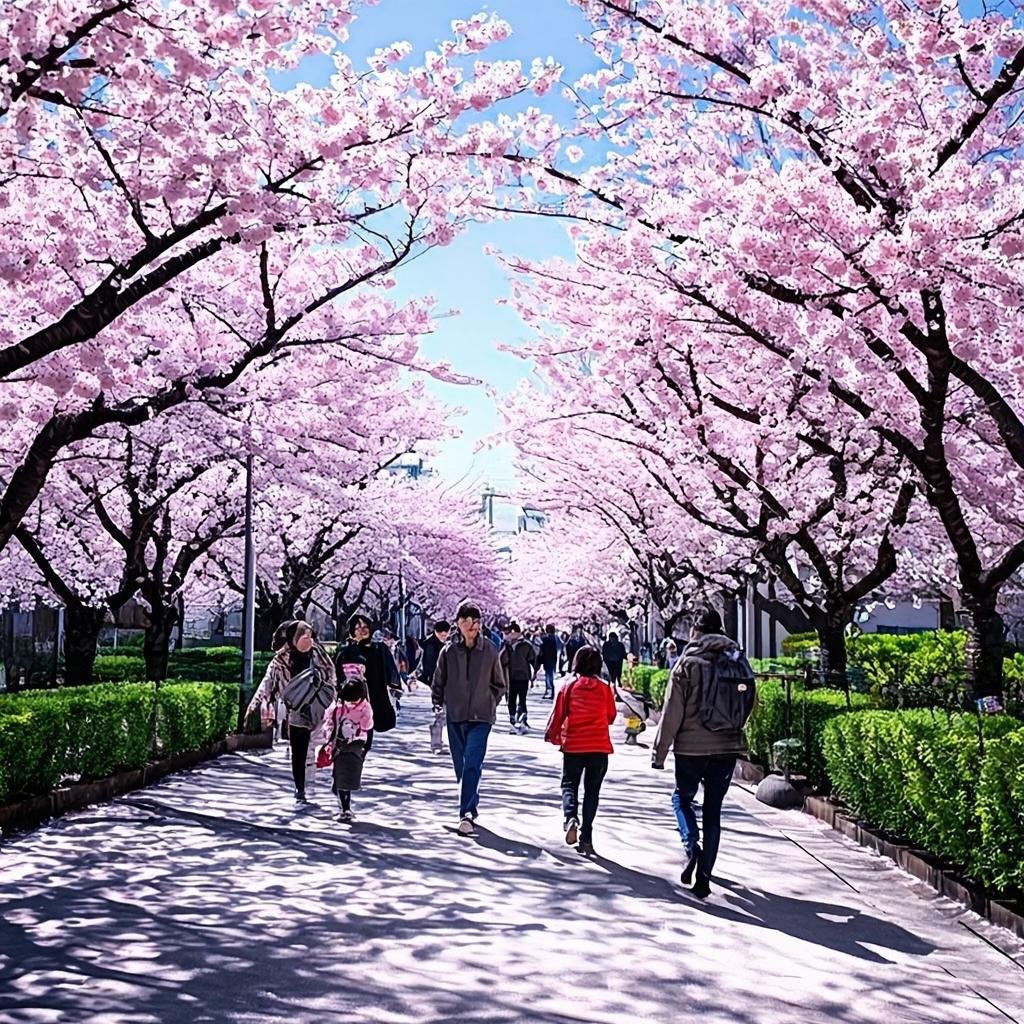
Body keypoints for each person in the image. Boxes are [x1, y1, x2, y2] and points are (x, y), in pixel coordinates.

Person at [651, 607, 748, 899]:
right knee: (713, 810)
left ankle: (692, 845)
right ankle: (704, 877)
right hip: (727, 745)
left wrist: (660, 752)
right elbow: (749, 700)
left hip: (691, 748)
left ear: (696, 631)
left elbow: (671, 711)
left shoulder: (687, 663)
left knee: (681, 797)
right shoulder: (737, 660)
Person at [432, 601, 506, 835]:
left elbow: (499, 684)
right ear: (458, 624)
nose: (472, 625)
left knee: (472, 762)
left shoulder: (490, 650)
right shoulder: (449, 651)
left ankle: (465, 814)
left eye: (476, 621)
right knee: (461, 767)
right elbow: (439, 680)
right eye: (466, 621)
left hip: (481, 717)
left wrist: (489, 701)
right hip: (455, 715)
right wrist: (439, 702)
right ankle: (471, 805)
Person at [245, 619, 336, 803]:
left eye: (310, 635)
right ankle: (300, 787)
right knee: (298, 751)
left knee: (316, 746)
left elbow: (331, 674)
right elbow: (268, 682)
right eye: (304, 635)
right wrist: (255, 704)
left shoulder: (318, 653)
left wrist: (331, 696)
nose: (308, 639)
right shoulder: (281, 659)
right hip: (296, 710)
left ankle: (319, 779)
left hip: (318, 706)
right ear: (293, 638)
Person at [545, 645, 617, 856]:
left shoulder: (569, 687)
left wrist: (553, 734)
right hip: (599, 747)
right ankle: (587, 836)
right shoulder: (605, 689)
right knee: (592, 791)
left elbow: (558, 714)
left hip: (574, 746)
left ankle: (570, 818)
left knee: (569, 784)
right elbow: (611, 716)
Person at [334, 614, 401, 754]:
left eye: (365, 627)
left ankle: (358, 761)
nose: (362, 630)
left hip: (374, 697)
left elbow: (391, 670)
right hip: (352, 700)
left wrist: (395, 689)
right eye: (357, 628)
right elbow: (338, 675)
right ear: (352, 631)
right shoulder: (346, 651)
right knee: (350, 736)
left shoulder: (379, 648)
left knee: (366, 737)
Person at [320, 671, 374, 822]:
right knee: (339, 777)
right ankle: (343, 805)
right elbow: (329, 723)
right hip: (339, 744)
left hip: (356, 744)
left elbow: (368, 727)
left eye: (354, 700)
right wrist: (328, 739)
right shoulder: (337, 707)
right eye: (348, 700)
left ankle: (345, 809)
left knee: (346, 775)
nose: (351, 703)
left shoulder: (365, 708)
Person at [418, 620, 451, 754]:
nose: (443, 636)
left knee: (443, 713)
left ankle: (437, 741)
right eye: (441, 634)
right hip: (437, 683)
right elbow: (431, 667)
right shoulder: (431, 646)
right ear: (436, 632)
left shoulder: (442, 644)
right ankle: (436, 743)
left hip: (443, 682)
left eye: (445, 634)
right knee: (441, 713)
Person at [500, 621, 536, 733]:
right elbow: (501, 660)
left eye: (509, 632)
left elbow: (533, 659)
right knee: (511, 698)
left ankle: (522, 719)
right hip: (510, 676)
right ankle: (512, 718)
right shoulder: (506, 645)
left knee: (522, 699)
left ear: (515, 632)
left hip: (523, 675)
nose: (508, 635)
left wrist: (533, 674)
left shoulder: (526, 645)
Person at [538, 623, 560, 699]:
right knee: (549, 675)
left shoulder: (548, 639)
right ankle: (551, 691)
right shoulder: (554, 638)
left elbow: (542, 647)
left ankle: (549, 691)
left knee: (548, 675)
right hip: (552, 659)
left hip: (547, 659)